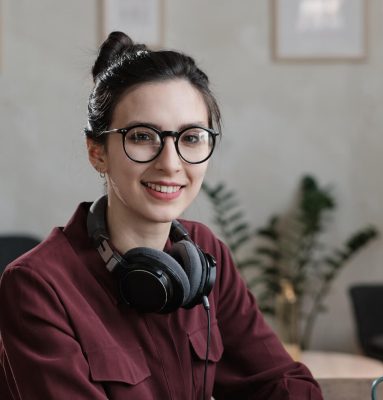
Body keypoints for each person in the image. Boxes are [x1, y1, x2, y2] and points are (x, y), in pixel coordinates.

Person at [0, 32, 323, 399]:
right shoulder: (37, 286)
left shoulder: (204, 251)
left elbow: (284, 383)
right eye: (142, 136)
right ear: (97, 152)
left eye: (190, 137)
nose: (170, 163)